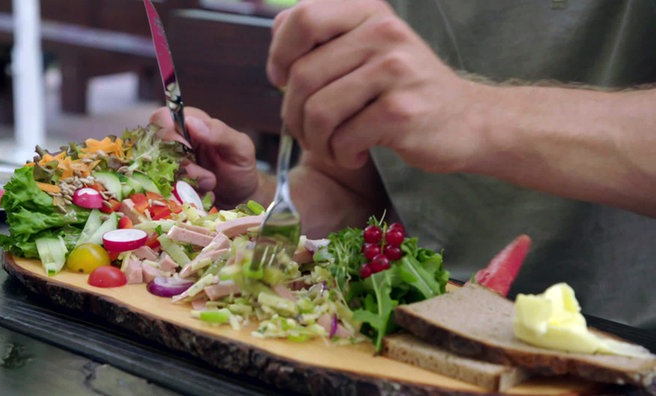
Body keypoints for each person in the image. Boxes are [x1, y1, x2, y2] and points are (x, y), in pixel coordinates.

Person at [150, 0, 656, 330]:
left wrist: (476, 116)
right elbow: (345, 190)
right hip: (412, 330)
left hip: (621, 343)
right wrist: (251, 203)